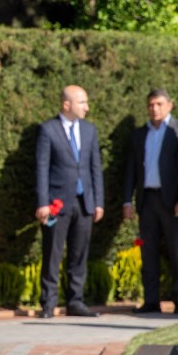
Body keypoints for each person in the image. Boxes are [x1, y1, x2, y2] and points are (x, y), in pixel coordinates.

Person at [35, 86, 105, 318]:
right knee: (52, 254)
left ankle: (75, 301)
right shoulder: (48, 129)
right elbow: (42, 168)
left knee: (79, 254)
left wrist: (98, 202)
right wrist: (43, 202)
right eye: (82, 102)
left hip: (84, 202)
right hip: (57, 203)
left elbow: (95, 167)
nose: (87, 107)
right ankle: (48, 303)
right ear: (67, 104)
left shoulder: (89, 130)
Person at [122, 89, 178, 314]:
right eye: (151, 105)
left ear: (170, 105)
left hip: (172, 200)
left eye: (159, 104)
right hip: (147, 199)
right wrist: (126, 201)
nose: (154, 109)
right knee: (148, 252)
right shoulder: (140, 134)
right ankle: (151, 300)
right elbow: (131, 168)